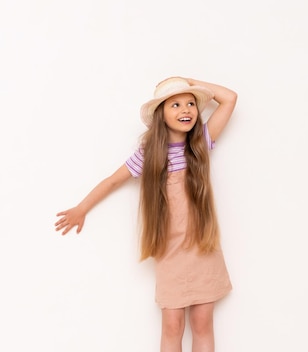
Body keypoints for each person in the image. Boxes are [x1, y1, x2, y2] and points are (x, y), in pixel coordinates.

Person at [55, 76, 238, 352]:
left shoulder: (199, 144)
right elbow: (113, 181)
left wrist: (190, 83)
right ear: (161, 115)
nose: (185, 109)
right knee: (172, 326)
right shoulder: (150, 155)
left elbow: (230, 98)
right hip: (170, 252)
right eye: (175, 104)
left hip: (203, 246)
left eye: (190, 104)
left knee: (202, 323)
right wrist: (82, 208)